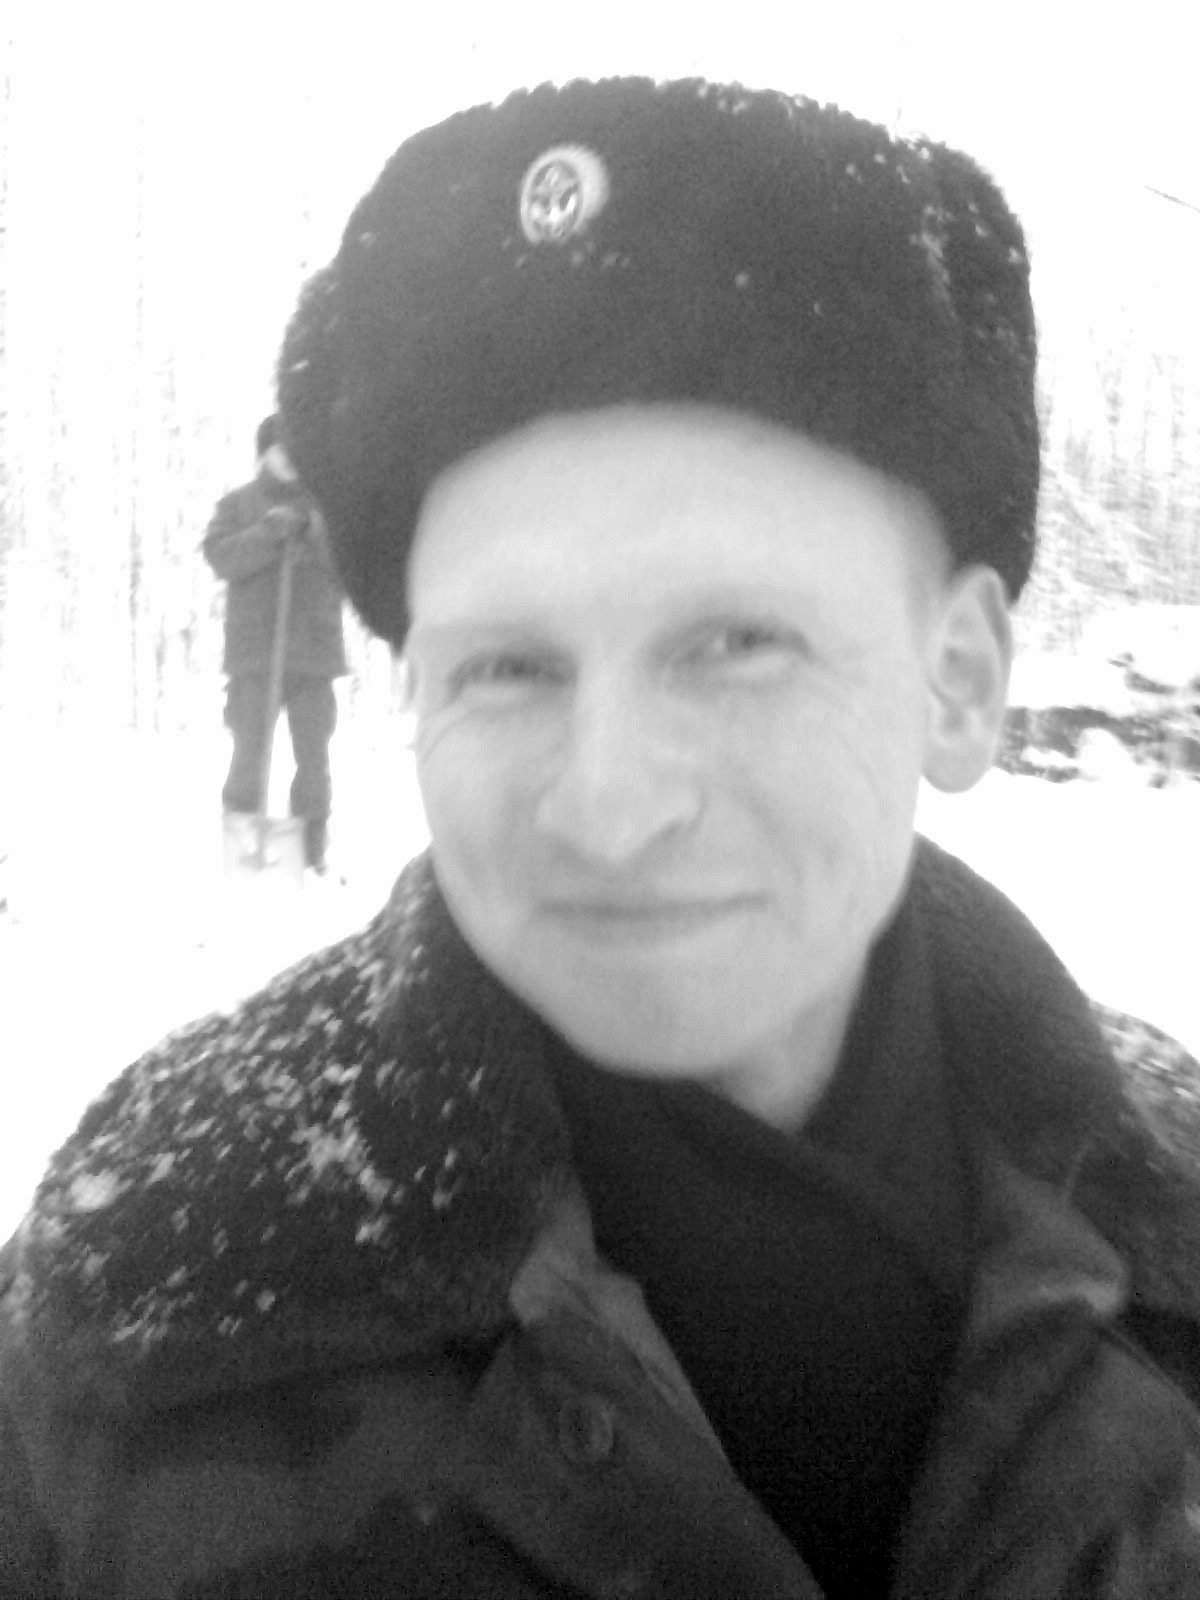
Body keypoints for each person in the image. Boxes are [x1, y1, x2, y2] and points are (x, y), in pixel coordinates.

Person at [3, 79, 1200, 1599]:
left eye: (736, 642)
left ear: (957, 680)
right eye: (507, 667)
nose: (610, 806)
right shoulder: (146, 1316)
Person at [203, 414, 348, 874]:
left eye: (295, 448)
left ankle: (309, 855)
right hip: (254, 656)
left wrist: (312, 530)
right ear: (264, 454)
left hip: (314, 655)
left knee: (313, 761)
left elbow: (347, 568)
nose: (287, 458)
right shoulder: (237, 506)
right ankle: (243, 854)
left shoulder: (326, 510)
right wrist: (267, 533)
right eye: (279, 449)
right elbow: (221, 558)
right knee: (249, 756)